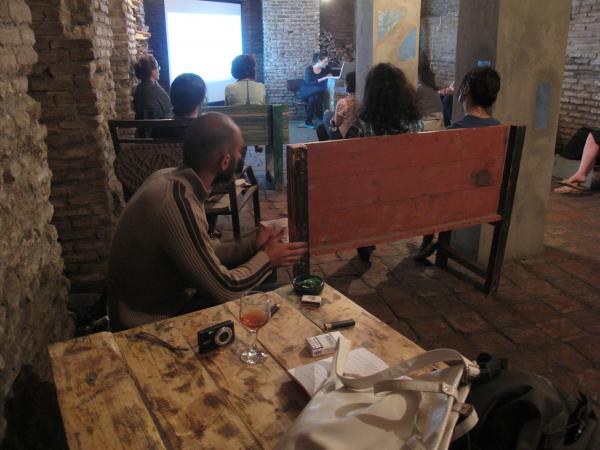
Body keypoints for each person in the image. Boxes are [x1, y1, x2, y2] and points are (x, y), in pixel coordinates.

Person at [107, 112, 308, 330]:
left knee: (264, 277)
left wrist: (253, 242)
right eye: (239, 151)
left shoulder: (169, 179)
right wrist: (269, 258)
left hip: (161, 300)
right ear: (225, 161)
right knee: (281, 297)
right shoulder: (175, 202)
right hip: (150, 323)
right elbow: (225, 291)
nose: (241, 157)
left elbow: (201, 252)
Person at [415, 66, 501, 260]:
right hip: (487, 201)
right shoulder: (499, 128)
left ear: (466, 90)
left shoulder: (454, 132)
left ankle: (428, 240)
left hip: (454, 203)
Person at [348, 63, 424, 261]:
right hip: (408, 188)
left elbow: (350, 163)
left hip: (373, 192)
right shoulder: (416, 123)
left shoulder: (364, 124)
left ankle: (365, 240)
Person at [316, 71, 357, 141]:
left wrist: (332, 119)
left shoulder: (343, 102)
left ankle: (331, 145)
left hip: (344, 136)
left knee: (325, 116)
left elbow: (337, 123)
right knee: (321, 127)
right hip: (356, 133)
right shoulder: (362, 100)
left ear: (347, 84)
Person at [132, 54, 173, 120]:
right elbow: (170, 109)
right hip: (160, 126)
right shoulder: (155, 90)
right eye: (158, 67)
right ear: (153, 71)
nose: (159, 69)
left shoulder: (138, 89)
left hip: (142, 126)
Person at [299, 52, 333, 129]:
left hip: (320, 91)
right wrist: (324, 78)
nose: (327, 63)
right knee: (312, 99)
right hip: (309, 91)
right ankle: (311, 119)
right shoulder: (309, 70)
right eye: (325, 61)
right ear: (319, 61)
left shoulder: (326, 68)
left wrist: (330, 76)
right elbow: (309, 83)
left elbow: (331, 76)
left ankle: (315, 116)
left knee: (317, 96)